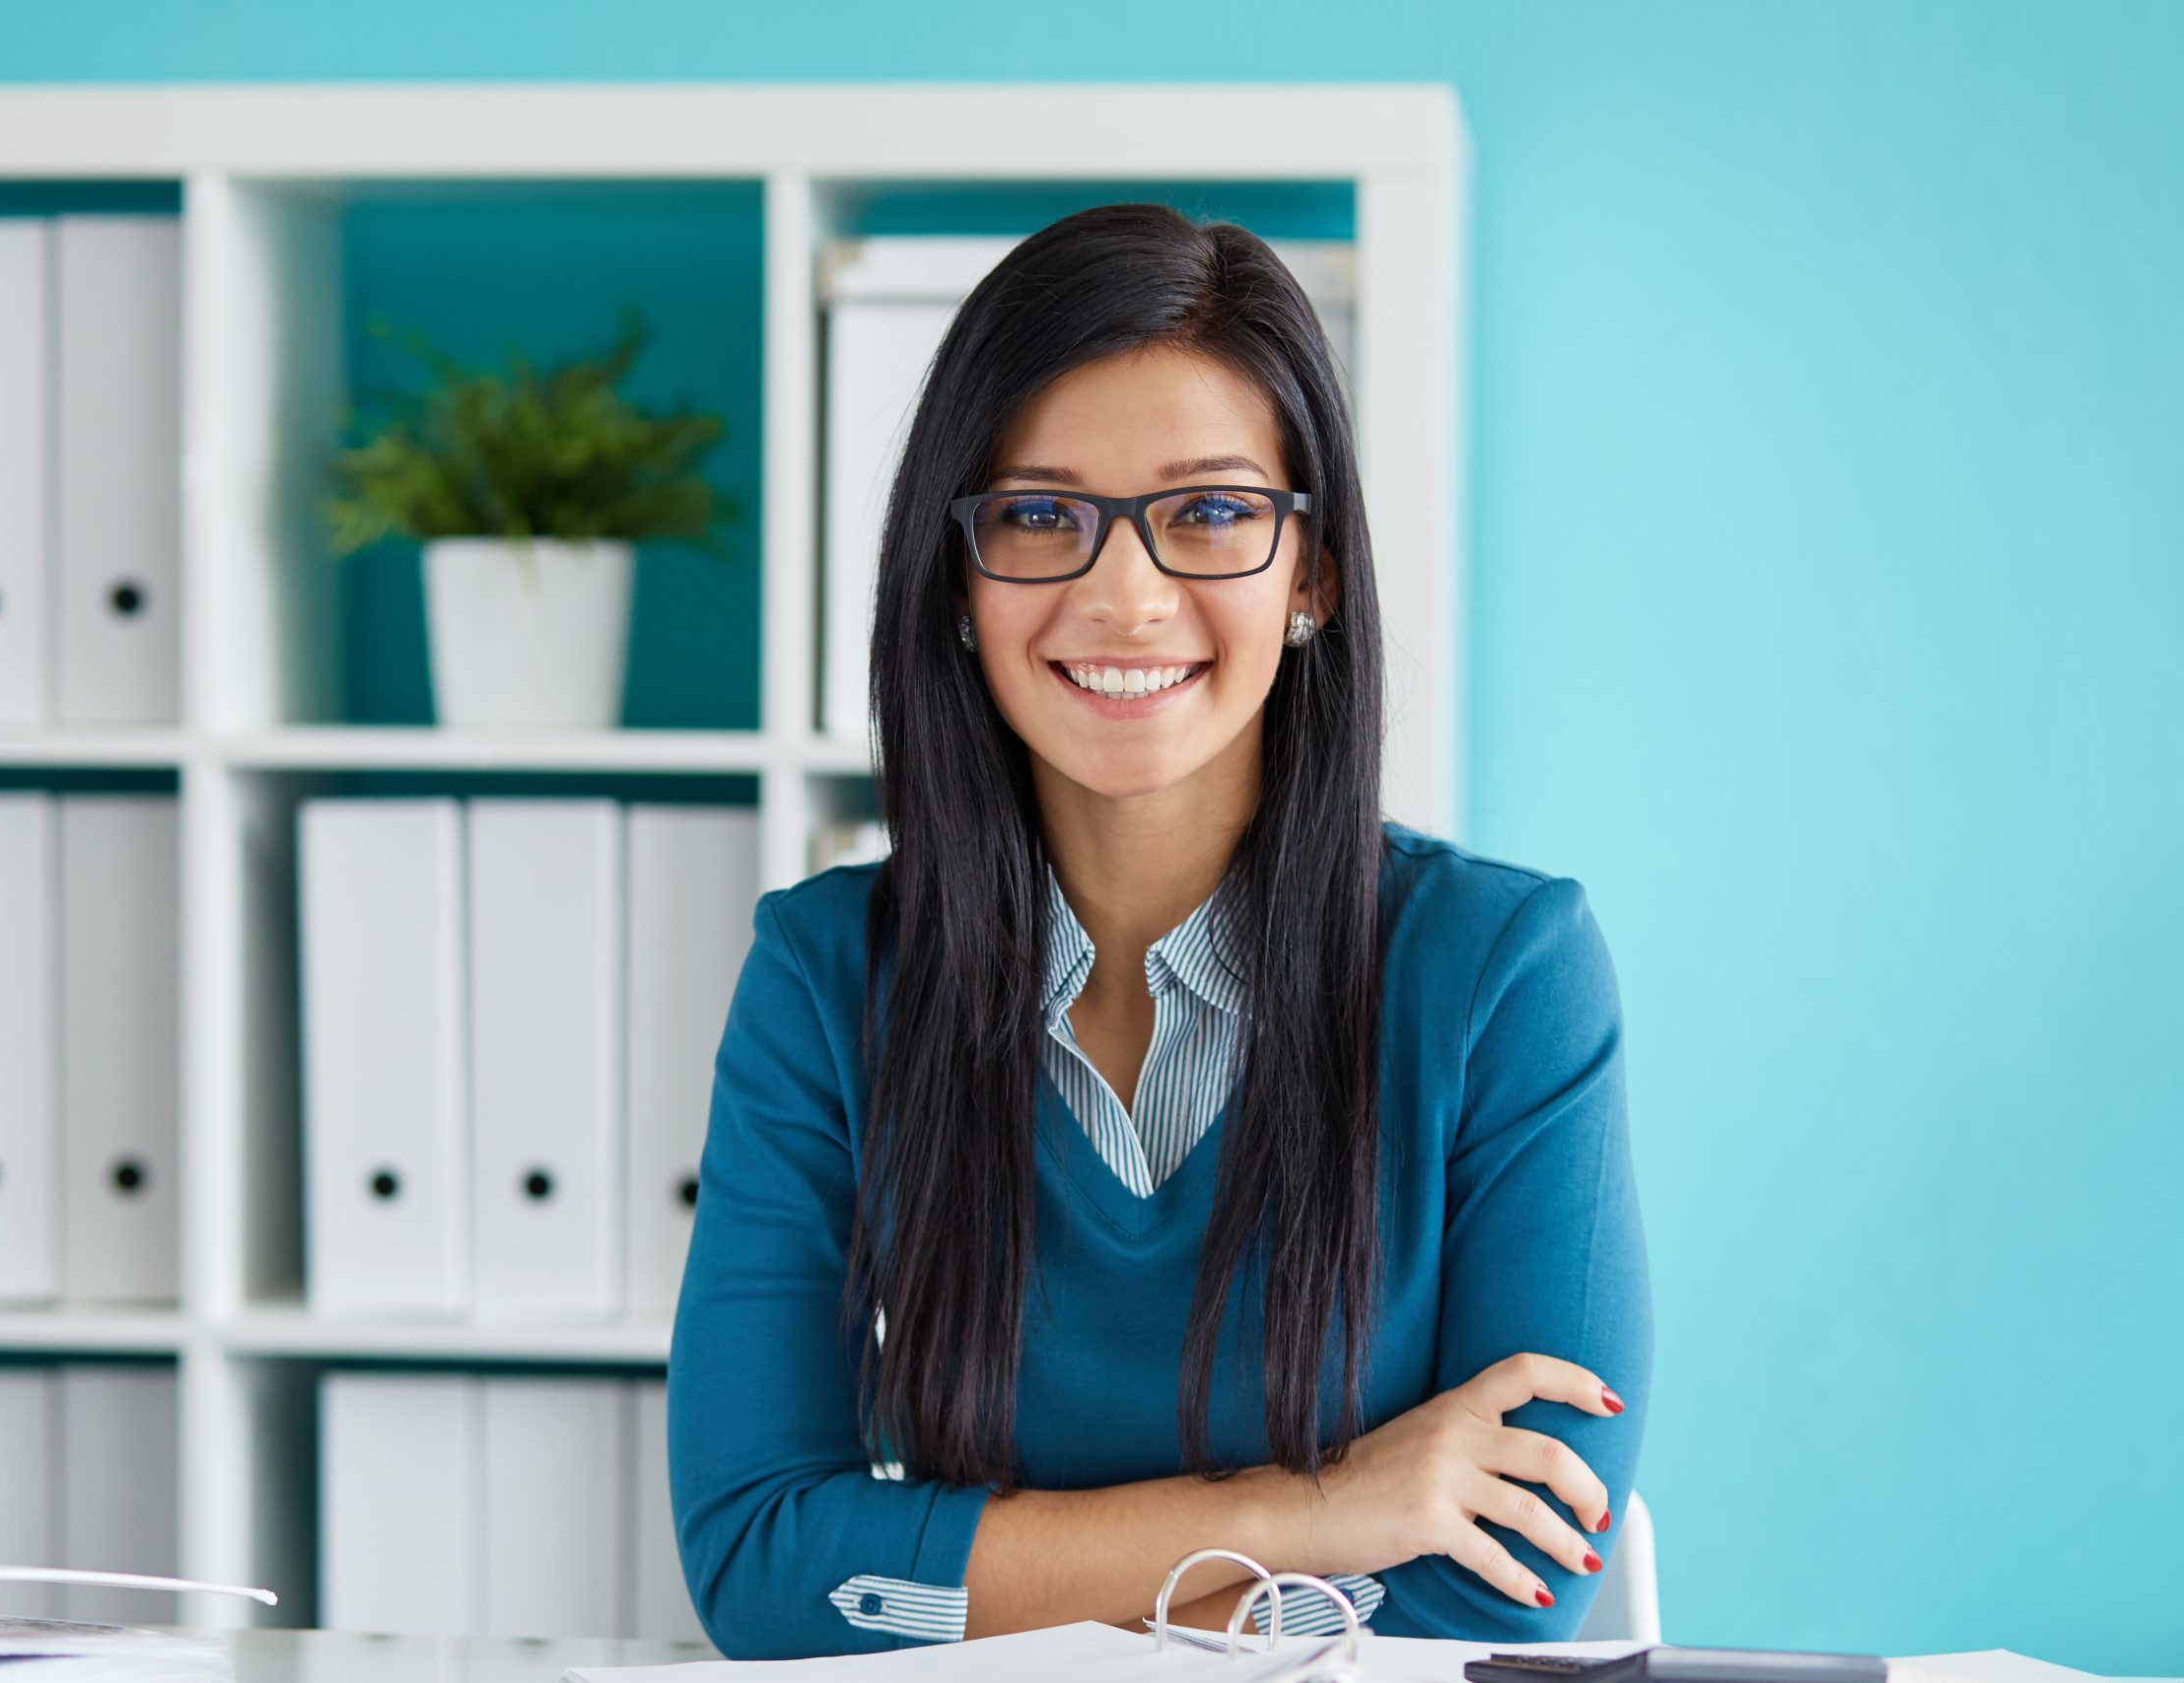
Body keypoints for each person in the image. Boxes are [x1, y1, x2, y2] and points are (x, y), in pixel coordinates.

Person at [666, 202, 1653, 1659]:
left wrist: (981, 1579)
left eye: (1207, 512)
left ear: (1311, 571)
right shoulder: (826, 978)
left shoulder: (1507, 976)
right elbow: (761, 1566)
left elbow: (1508, 1576)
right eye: (1042, 515)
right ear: (957, 576)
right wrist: (1322, 1513)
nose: (1123, 597)